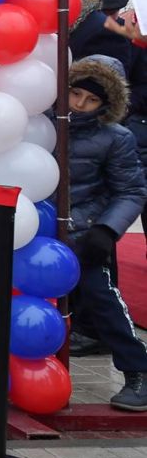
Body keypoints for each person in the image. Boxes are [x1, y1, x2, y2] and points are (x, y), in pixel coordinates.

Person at [62, 56, 147, 410]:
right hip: (30, 228)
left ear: (106, 104)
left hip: (84, 231)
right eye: (75, 93)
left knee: (101, 296)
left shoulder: (116, 138)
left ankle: (138, 370)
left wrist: (106, 230)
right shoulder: (40, 124)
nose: (80, 104)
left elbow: (131, 191)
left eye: (92, 99)